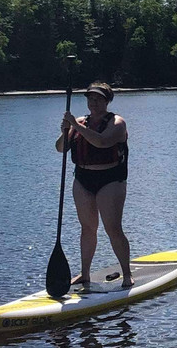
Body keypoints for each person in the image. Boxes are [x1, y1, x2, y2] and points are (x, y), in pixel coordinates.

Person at [54, 81, 132, 288]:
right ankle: (85, 274)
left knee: (113, 228)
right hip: (83, 179)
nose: (93, 102)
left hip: (110, 179)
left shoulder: (117, 123)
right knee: (87, 228)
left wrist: (75, 125)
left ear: (107, 101)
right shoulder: (80, 122)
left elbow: (102, 142)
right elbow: (60, 148)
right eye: (90, 98)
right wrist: (65, 130)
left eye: (98, 99)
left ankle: (127, 274)